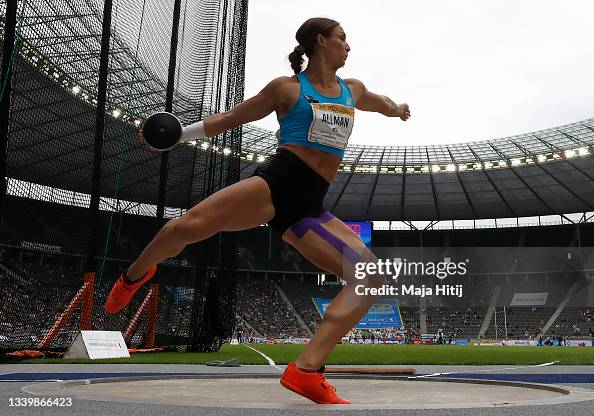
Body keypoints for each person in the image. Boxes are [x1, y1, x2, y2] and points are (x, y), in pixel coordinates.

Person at [104, 17, 410, 404]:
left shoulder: (353, 90)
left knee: (369, 277)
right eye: (342, 38)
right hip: (274, 184)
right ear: (321, 41)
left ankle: (306, 371)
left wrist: (398, 108)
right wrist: (180, 135)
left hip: (307, 208)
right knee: (185, 228)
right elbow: (232, 119)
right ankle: (132, 277)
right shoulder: (287, 88)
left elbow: (379, 103)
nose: (349, 46)